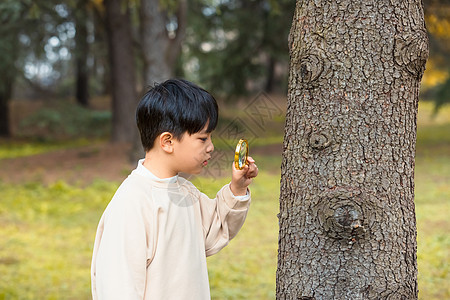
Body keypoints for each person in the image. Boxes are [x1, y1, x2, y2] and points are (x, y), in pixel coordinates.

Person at [91, 79, 258, 299]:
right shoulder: (132, 203)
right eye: (203, 138)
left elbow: (214, 231)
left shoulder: (185, 192)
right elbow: (118, 288)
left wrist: (237, 188)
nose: (211, 147)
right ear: (168, 142)